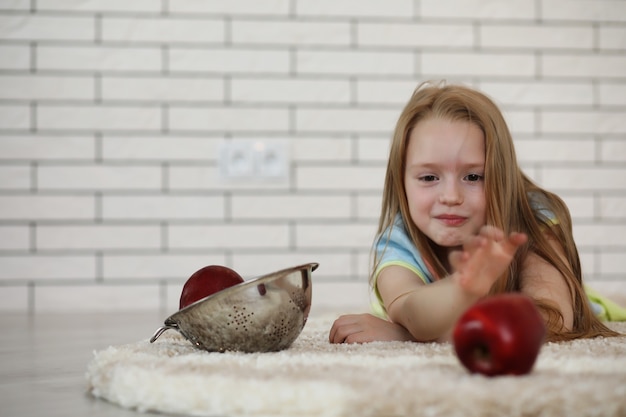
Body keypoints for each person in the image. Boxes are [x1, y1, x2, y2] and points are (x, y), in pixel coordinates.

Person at [329, 81, 621, 344]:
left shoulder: (532, 217)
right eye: (429, 178)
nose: (452, 197)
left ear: (501, 176)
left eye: (473, 177)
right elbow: (411, 311)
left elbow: (550, 319)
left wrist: (404, 336)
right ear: (401, 181)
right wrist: (462, 289)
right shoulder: (399, 241)